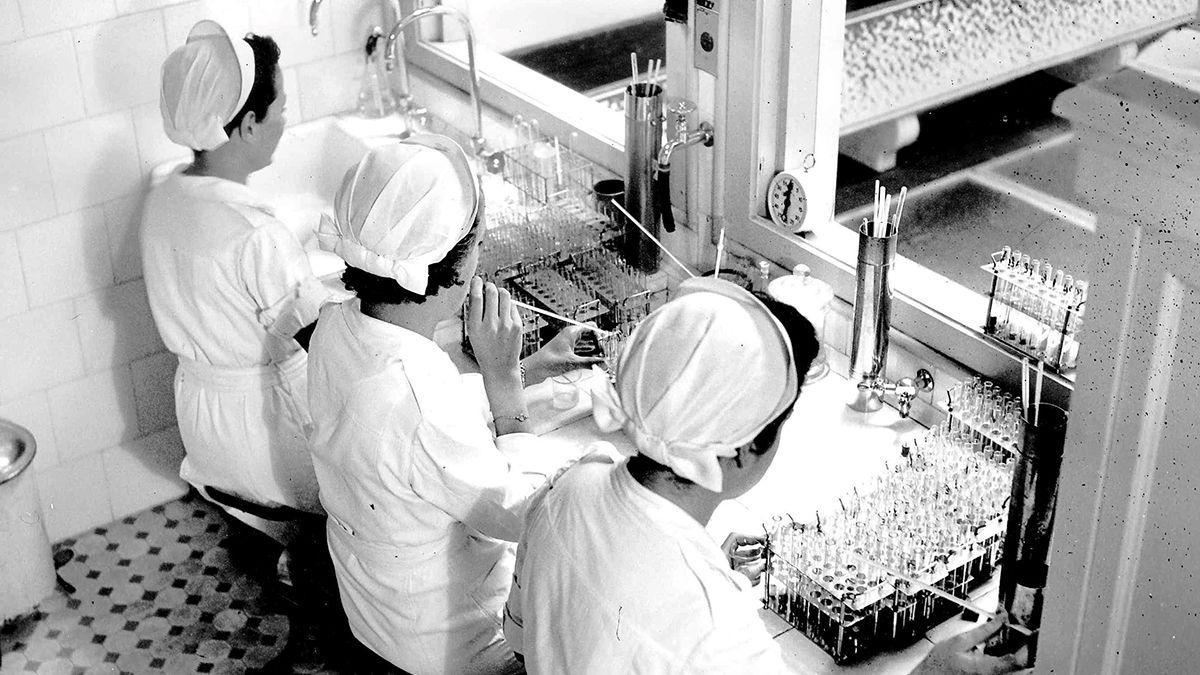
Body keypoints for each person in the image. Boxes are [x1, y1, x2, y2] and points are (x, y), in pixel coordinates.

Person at [504, 277, 1031, 674]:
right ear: (739, 452)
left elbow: (523, 637)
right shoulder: (718, 630)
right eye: (780, 423)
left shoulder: (572, 484)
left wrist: (700, 562)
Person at [307, 136, 602, 674]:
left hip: (374, 615)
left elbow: (411, 430)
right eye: (478, 244)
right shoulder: (418, 399)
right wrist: (506, 382)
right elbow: (528, 516)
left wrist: (528, 370)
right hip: (450, 651)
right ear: (457, 271)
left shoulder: (336, 326)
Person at [142, 20, 349, 537]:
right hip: (267, 437)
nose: (286, 120)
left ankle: (276, 545)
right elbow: (324, 349)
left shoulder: (165, 195)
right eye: (281, 109)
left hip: (204, 423)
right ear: (250, 124)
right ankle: (304, 558)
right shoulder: (255, 234)